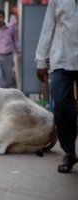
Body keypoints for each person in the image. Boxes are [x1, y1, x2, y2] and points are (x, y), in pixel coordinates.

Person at [35, 0, 78, 173]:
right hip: (62, 59)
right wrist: (40, 60)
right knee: (60, 102)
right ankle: (69, 152)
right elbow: (48, 27)